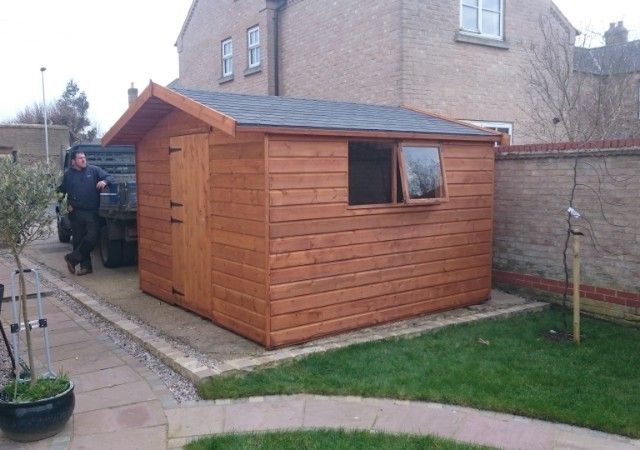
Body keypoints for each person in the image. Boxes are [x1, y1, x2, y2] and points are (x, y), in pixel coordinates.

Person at [58, 150, 114, 275]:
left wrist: (105, 181)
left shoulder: (94, 170)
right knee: (78, 240)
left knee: (92, 237)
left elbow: (109, 176)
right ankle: (86, 267)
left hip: (92, 212)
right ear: (73, 161)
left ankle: (72, 258)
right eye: (80, 158)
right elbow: (61, 191)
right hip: (75, 212)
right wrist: (64, 206)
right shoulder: (68, 175)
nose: (83, 160)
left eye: (84, 158)